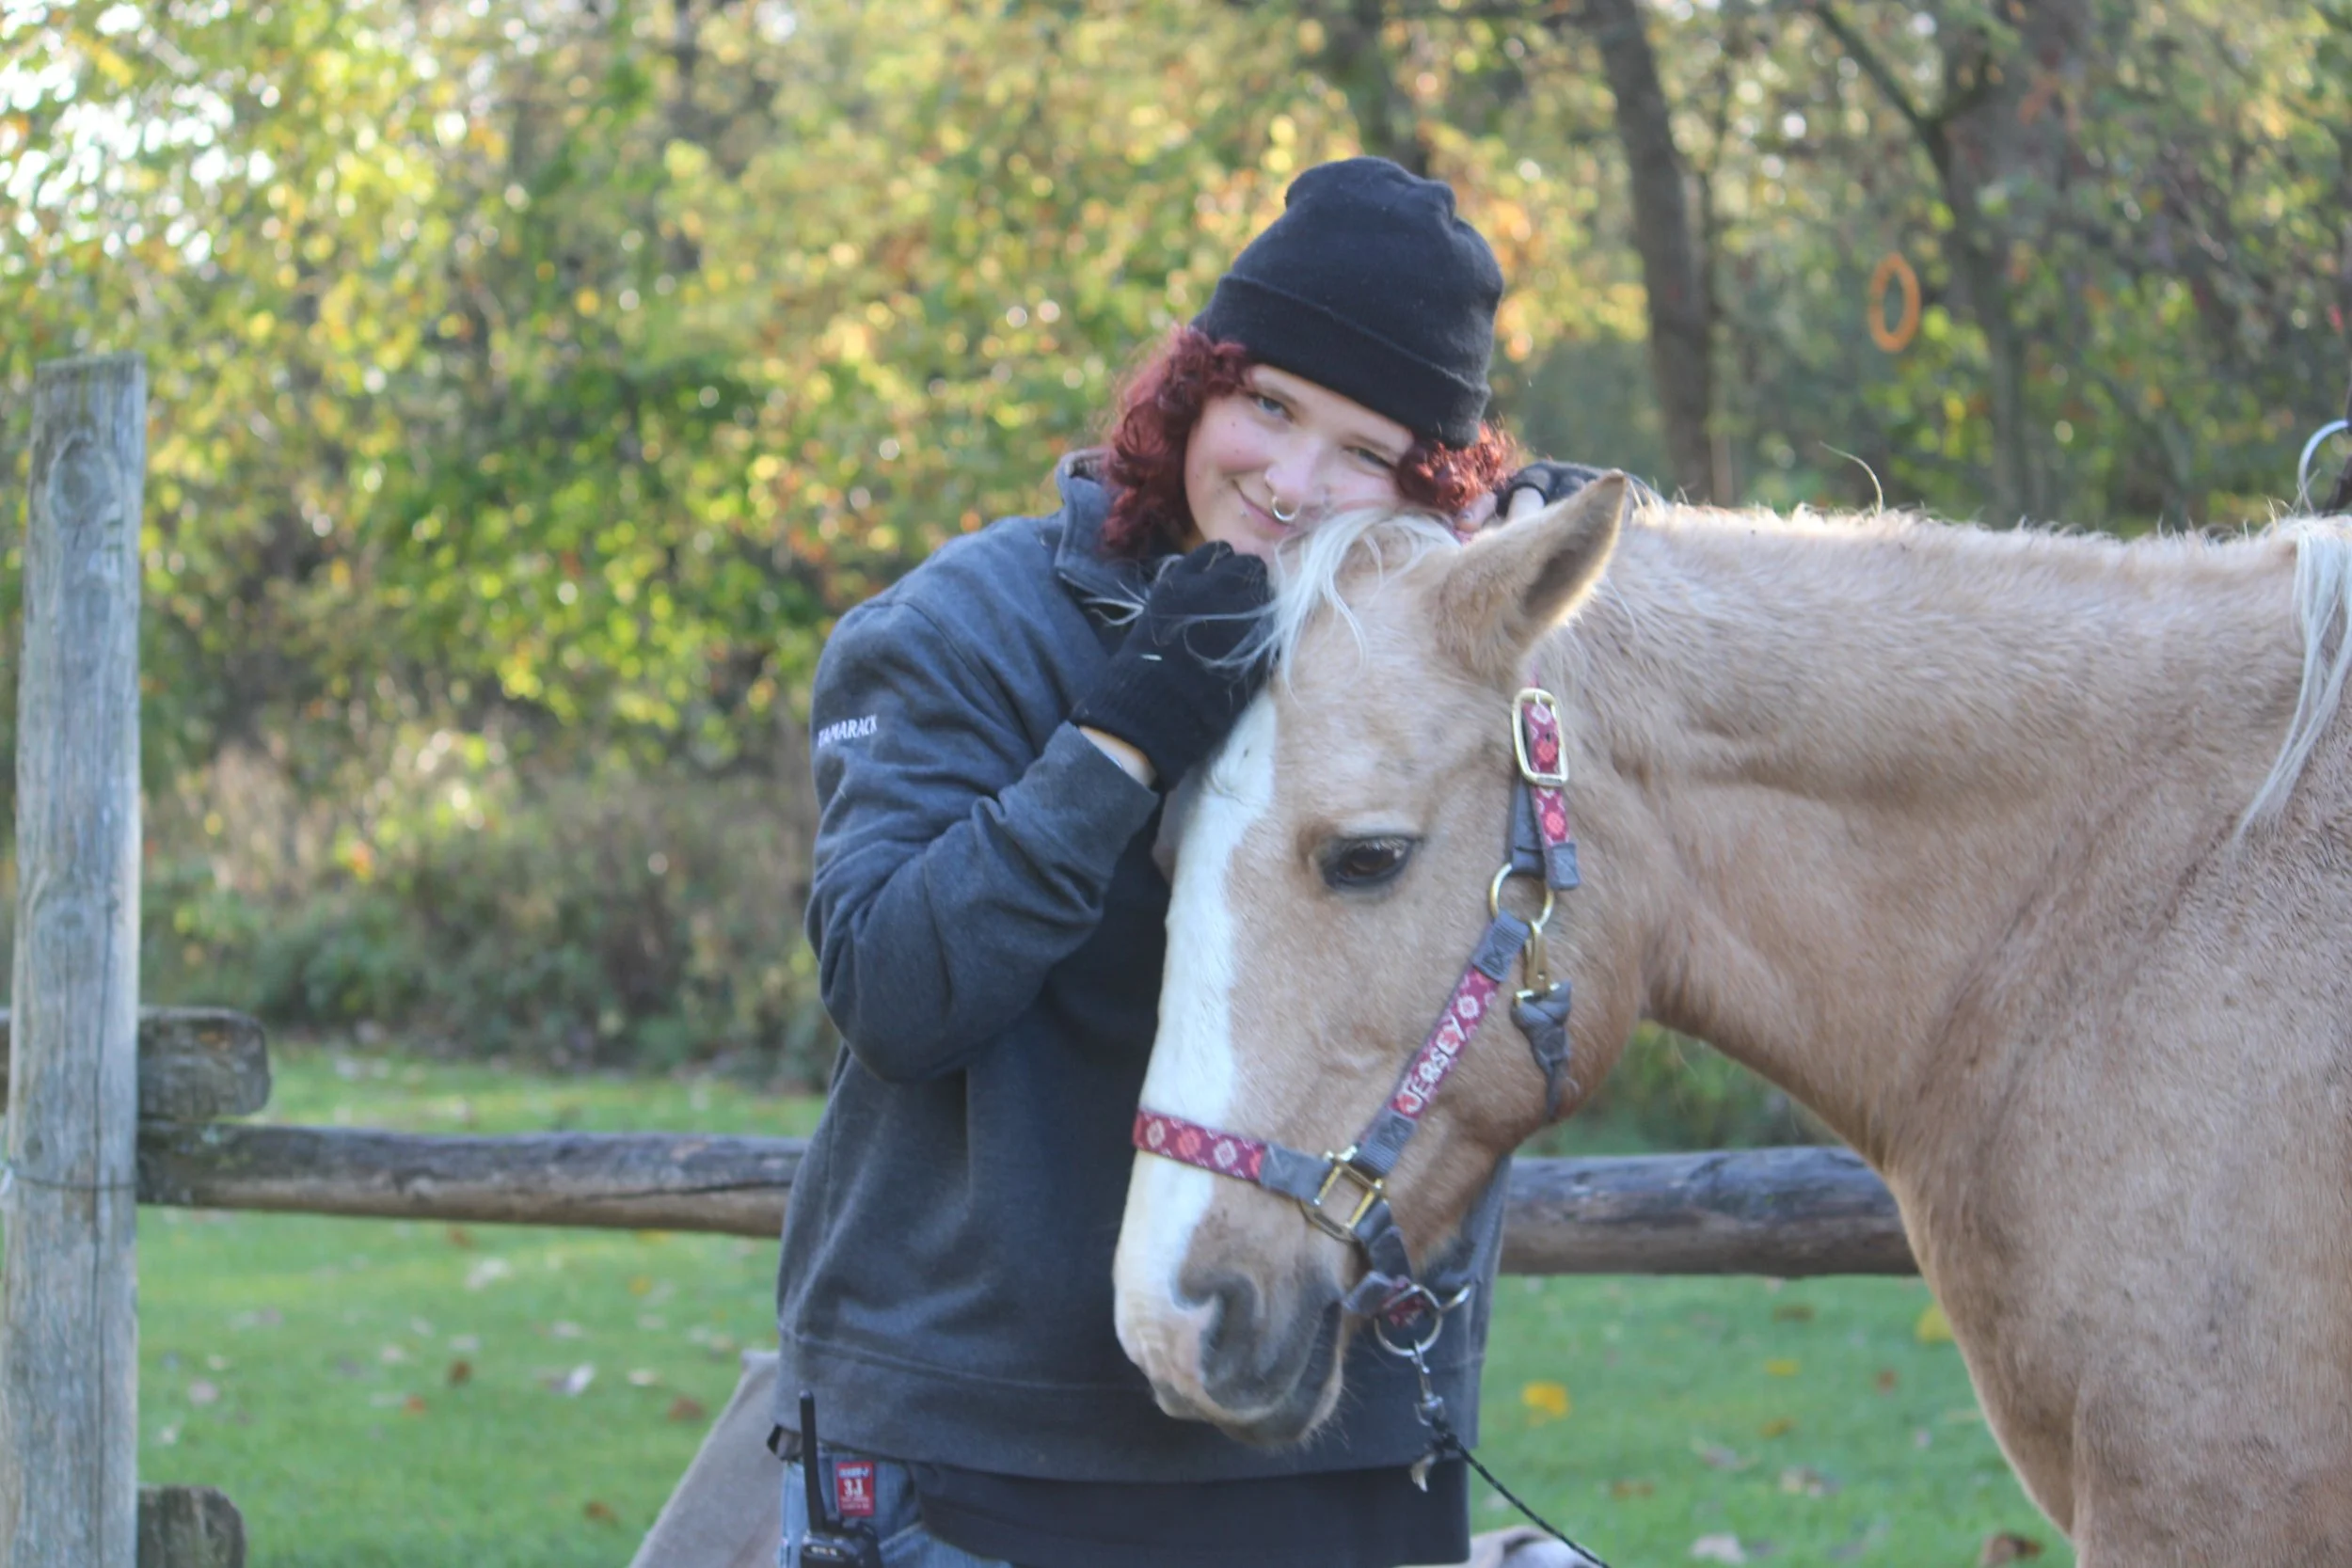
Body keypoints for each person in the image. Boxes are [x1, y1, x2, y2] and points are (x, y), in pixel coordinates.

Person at [774, 156, 1616, 1568]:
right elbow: (891, 989)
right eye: (1267, 405)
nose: (1291, 483)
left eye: (1365, 449)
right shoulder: (962, 625)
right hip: (978, 1444)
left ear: (1432, 485)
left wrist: (1578, 598)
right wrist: (1117, 746)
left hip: (1327, 1426)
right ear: (1193, 393)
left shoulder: (1461, 679)